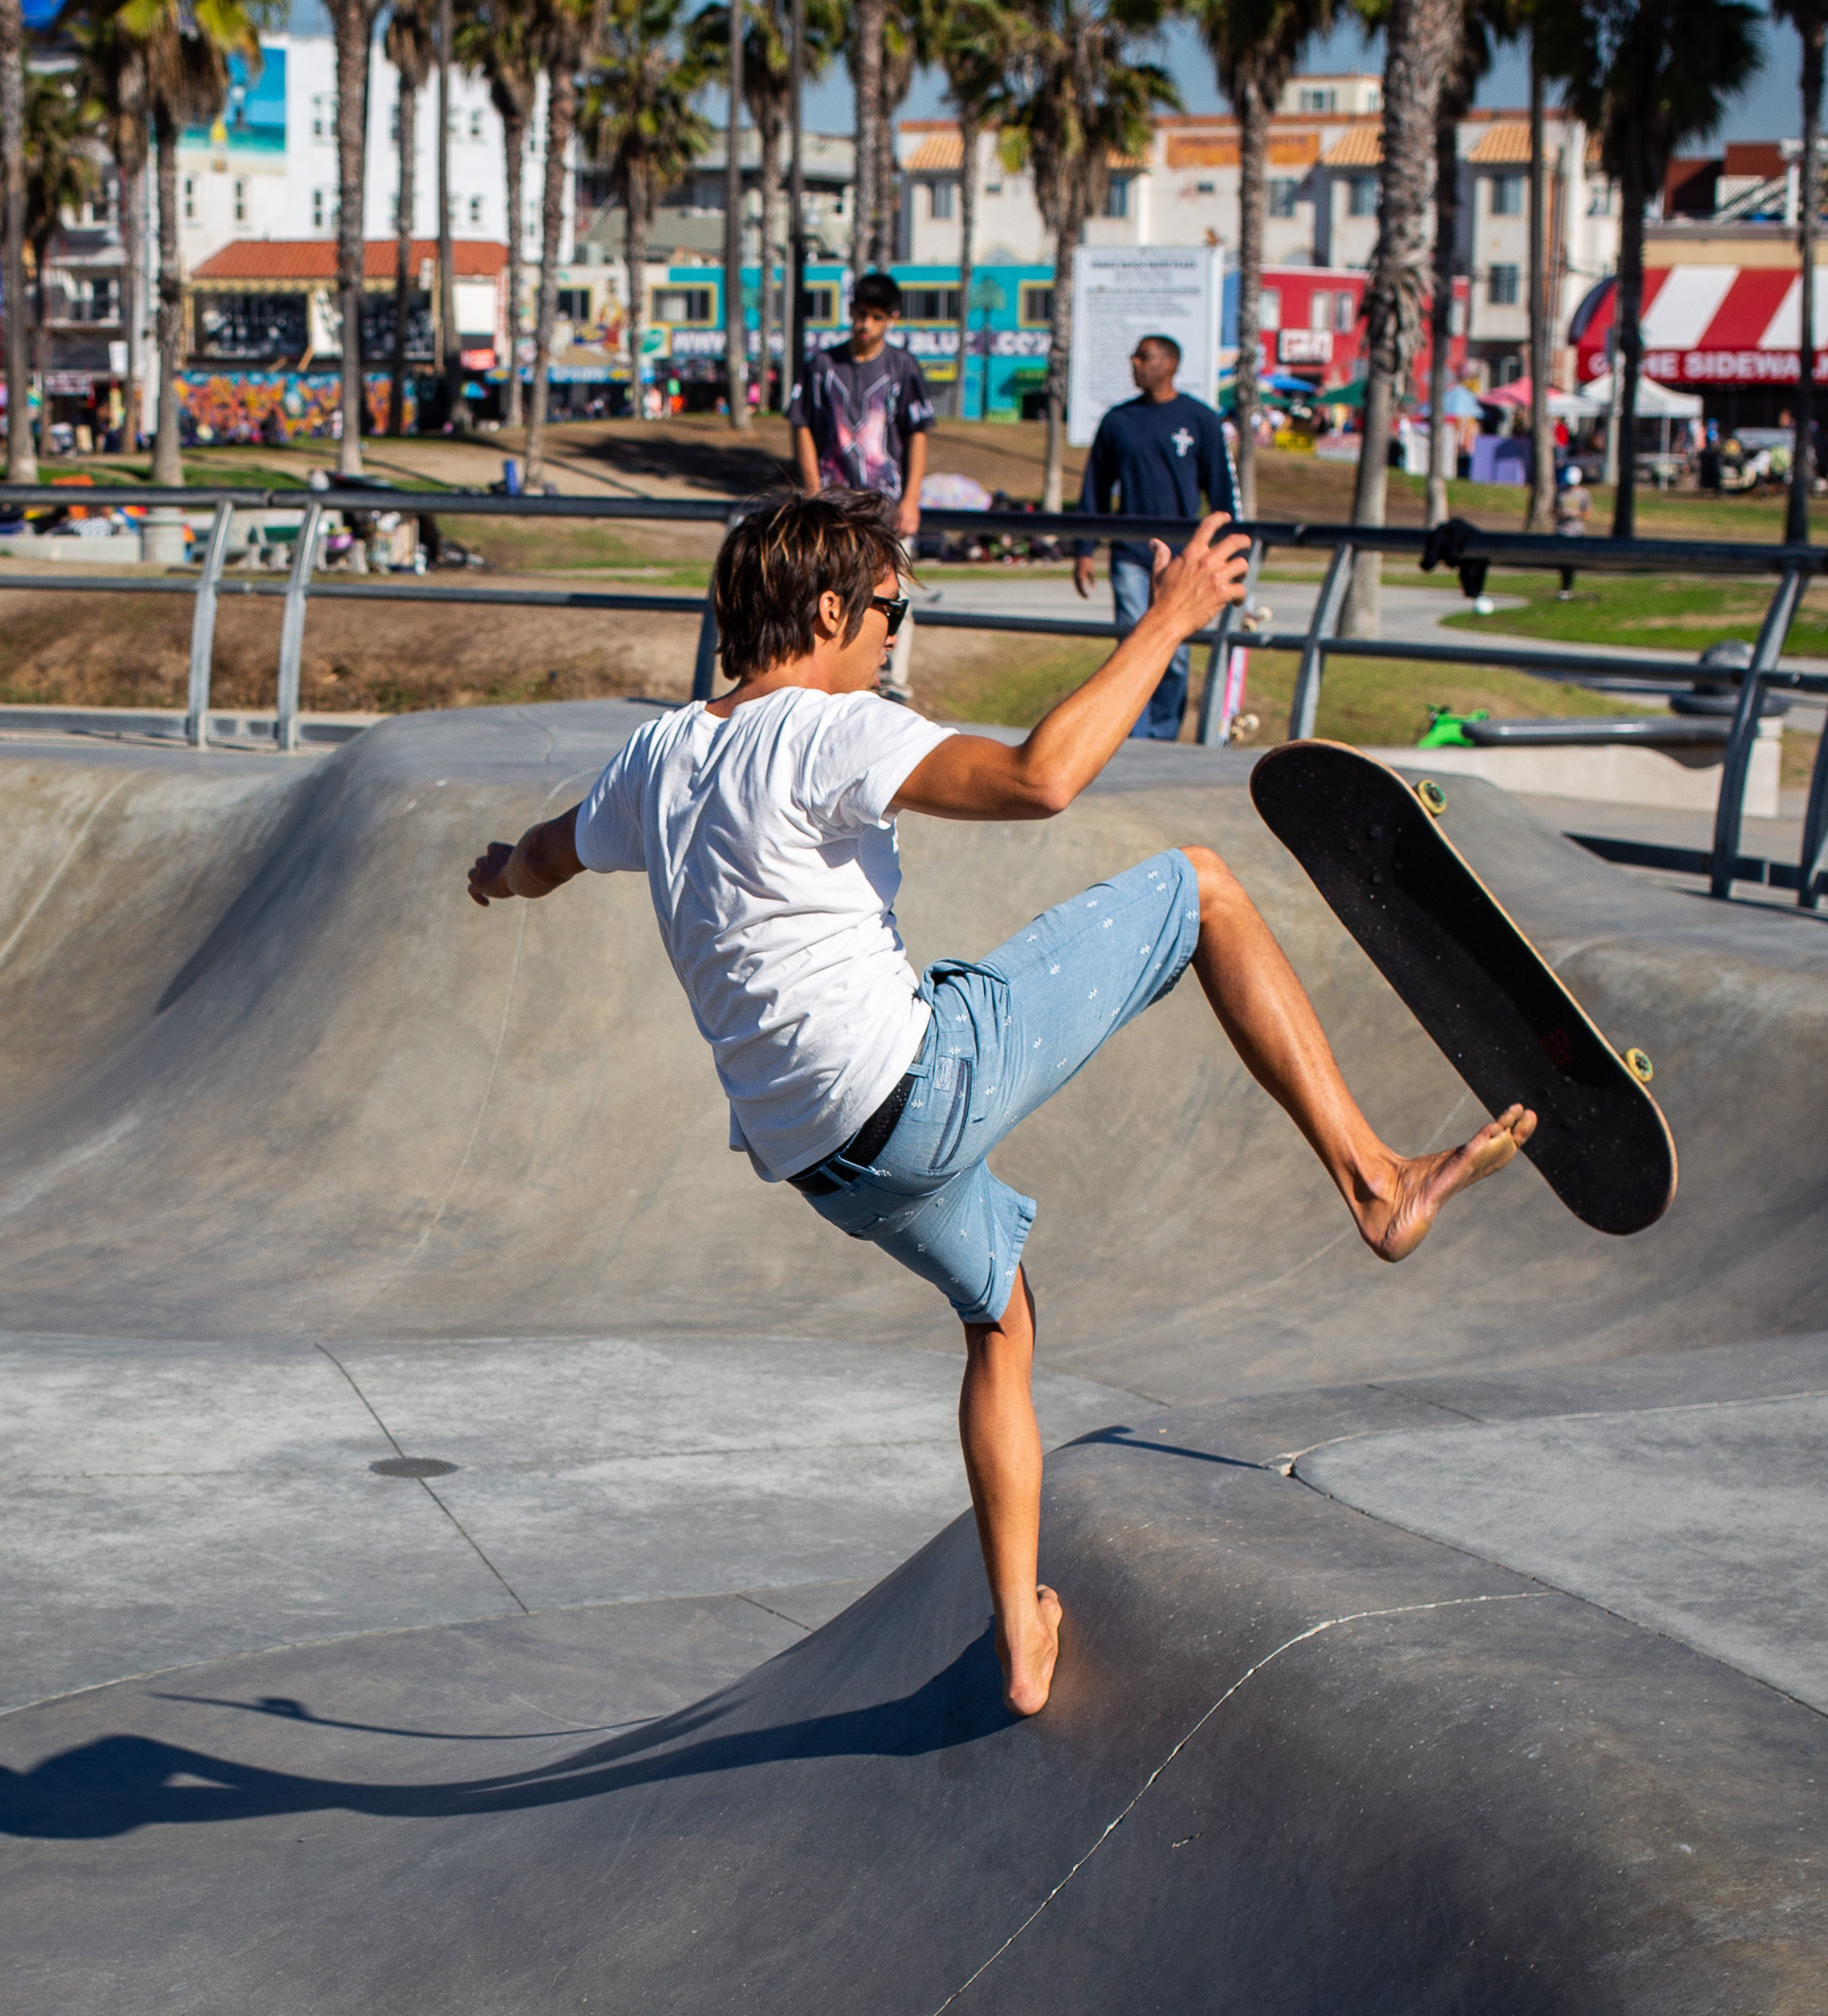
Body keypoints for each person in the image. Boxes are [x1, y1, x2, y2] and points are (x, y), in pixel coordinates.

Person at [465, 489, 1537, 1718]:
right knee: (1202, 886)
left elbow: (541, 857)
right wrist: (1172, 618)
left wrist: (498, 877)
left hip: (828, 1169)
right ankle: (1376, 1179)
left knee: (1001, 1315)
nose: (894, 640)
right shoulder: (826, 728)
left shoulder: (653, 760)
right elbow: (1041, 779)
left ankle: (1023, 1639)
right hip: (920, 1089)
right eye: (891, 611)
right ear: (830, 613)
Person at [1072, 335, 1240, 740]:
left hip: (1182, 560)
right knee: (1133, 643)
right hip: (1131, 554)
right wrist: (1084, 549)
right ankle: (1133, 735)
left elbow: (1222, 491)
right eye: (1134, 356)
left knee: (1175, 653)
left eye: (1144, 357)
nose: (1135, 362)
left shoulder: (1200, 419)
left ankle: (1163, 736)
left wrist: (1229, 552)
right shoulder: (1118, 421)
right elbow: (1095, 489)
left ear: (1169, 365)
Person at [789, 271, 933, 699]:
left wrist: (912, 498)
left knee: (892, 592)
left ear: (892, 319)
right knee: (828, 590)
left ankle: (892, 682)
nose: (864, 325)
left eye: (875, 317)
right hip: (834, 504)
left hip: (887, 505)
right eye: (858, 314)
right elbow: (801, 424)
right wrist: (813, 490)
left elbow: (918, 433)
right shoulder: (822, 365)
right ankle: (829, 677)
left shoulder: (902, 367)